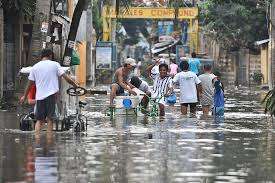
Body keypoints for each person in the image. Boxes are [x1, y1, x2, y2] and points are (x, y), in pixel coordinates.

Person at [20, 48, 78, 136]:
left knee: (39, 120)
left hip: (39, 97)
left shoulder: (35, 67)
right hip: (51, 96)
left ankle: (37, 140)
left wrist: (24, 96)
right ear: (50, 55)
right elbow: (66, 78)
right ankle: (49, 142)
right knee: (50, 119)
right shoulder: (55, 65)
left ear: (42, 56)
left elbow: (29, 84)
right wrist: (75, 85)